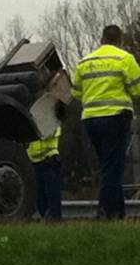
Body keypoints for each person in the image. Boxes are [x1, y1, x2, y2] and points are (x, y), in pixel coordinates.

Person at [72, 25, 140, 219]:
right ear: (119, 40)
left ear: (102, 39)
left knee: (109, 166)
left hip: (91, 120)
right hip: (116, 118)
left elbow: (76, 92)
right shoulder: (124, 59)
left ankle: (118, 213)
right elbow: (138, 90)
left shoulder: (85, 62)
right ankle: (105, 212)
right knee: (113, 167)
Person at [27, 101, 67, 221]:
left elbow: (50, 133)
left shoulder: (52, 118)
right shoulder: (31, 117)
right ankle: (47, 219)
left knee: (52, 195)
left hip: (49, 159)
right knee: (41, 198)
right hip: (35, 161)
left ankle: (54, 220)